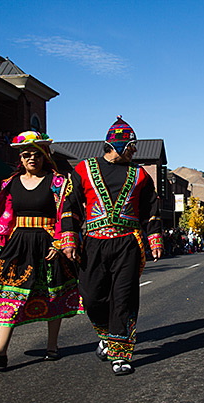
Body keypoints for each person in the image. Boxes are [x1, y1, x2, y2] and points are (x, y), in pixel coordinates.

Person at [0, 131, 81, 368]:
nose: (32, 158)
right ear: (20, 159)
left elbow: (65, 214)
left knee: (52, 295)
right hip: (18, 244)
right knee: (8, 295)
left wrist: (60, 243)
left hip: (48, 244)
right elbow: (7, 219)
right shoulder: (9, 184)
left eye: (37, 155)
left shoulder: (58, 182)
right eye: (27, 155)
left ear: (44, 157)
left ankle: (52, 346)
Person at [61, 116, 163, 376]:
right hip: (93, 243)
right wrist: (69, 237)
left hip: (128, 243)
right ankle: (107, 336)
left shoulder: (139, 175)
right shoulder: (83, 169)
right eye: (131, 145)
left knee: (123, 297)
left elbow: (151, 209)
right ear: (116, 145)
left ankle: (121, 353)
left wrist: (154, 238)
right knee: (92, 296)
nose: (134, 150)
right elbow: (70, 205)